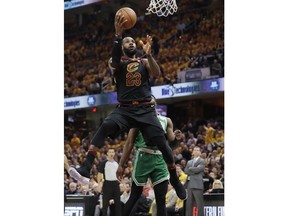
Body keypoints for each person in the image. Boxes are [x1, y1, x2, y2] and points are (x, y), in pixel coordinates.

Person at [76, 11, 186, 200]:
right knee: (106, 125)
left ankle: (174, 179)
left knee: (162, 144)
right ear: (123, 46)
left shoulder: (143, 61)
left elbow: (157, 74)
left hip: (145, 109)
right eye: (128, 41)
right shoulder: (116, 62)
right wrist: (118, 36)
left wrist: (150, 55)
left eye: (133, 41)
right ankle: (86, 166)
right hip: (126, 109)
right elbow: (115, 59)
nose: (132, 43)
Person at [116, 96, 184, 216]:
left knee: (161, 199)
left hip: (159, 158)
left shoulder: (166, 120)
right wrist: (121, 164)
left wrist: (177, 140)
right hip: (143, 156)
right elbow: (129, 143)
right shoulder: (137, 120)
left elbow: (171, 146)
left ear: (155, 104)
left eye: (150, 102)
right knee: (134, 196)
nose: (148, 104)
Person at [97, 148, 121, 216]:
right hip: (107, 184)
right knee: (105, 203)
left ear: (114, 153)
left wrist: (121, 182)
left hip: (115, 184)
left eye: (112, 152)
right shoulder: (104, 163)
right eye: (110, 152)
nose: (111, 153)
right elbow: (99, 174)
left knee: (118, 203)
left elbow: (118, 174)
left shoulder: (116, 163)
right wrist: (99, 184)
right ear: (107, 153)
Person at [184, 146, 205, 216]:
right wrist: (194, 170)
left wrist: (191, 169)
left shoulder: (202, 161)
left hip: (197, 184)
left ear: (200, 152)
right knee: (189, 204)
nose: (196, 151)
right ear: (192, 152)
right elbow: (186, 171)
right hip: (189, 184)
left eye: (198, 150)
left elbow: (199, 169)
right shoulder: (189, 161)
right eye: (195, 150)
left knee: (199, 204)